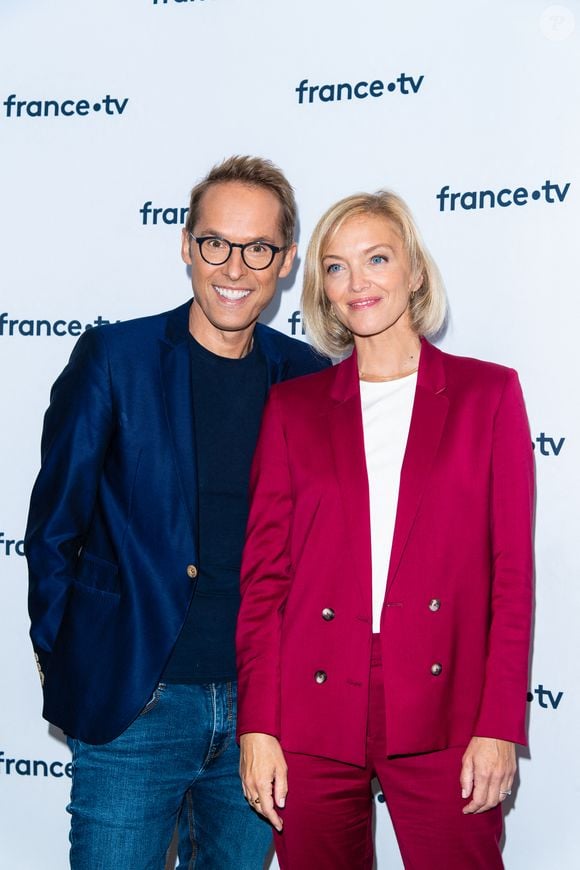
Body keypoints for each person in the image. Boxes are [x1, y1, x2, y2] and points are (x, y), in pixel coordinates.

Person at [25, 155, 329, 869]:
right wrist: (70, 659)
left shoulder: (311, 377)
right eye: (217, 242)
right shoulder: (114, 357)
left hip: (264, 716)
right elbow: (53, 530)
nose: (235, 266)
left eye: (258, 248)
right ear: (187, 245)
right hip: (137, 705)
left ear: (285, 262)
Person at [236, 190, 534, 869]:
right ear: (323, 289)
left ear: (415, 271)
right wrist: (258, 723)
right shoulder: (292, 409)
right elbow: (264, 584)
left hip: (445, 704)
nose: (357, 282)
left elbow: (511, 578)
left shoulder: (488, 396)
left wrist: (498, 726)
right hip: (311, 705)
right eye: (336, 267)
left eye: (376, 258)